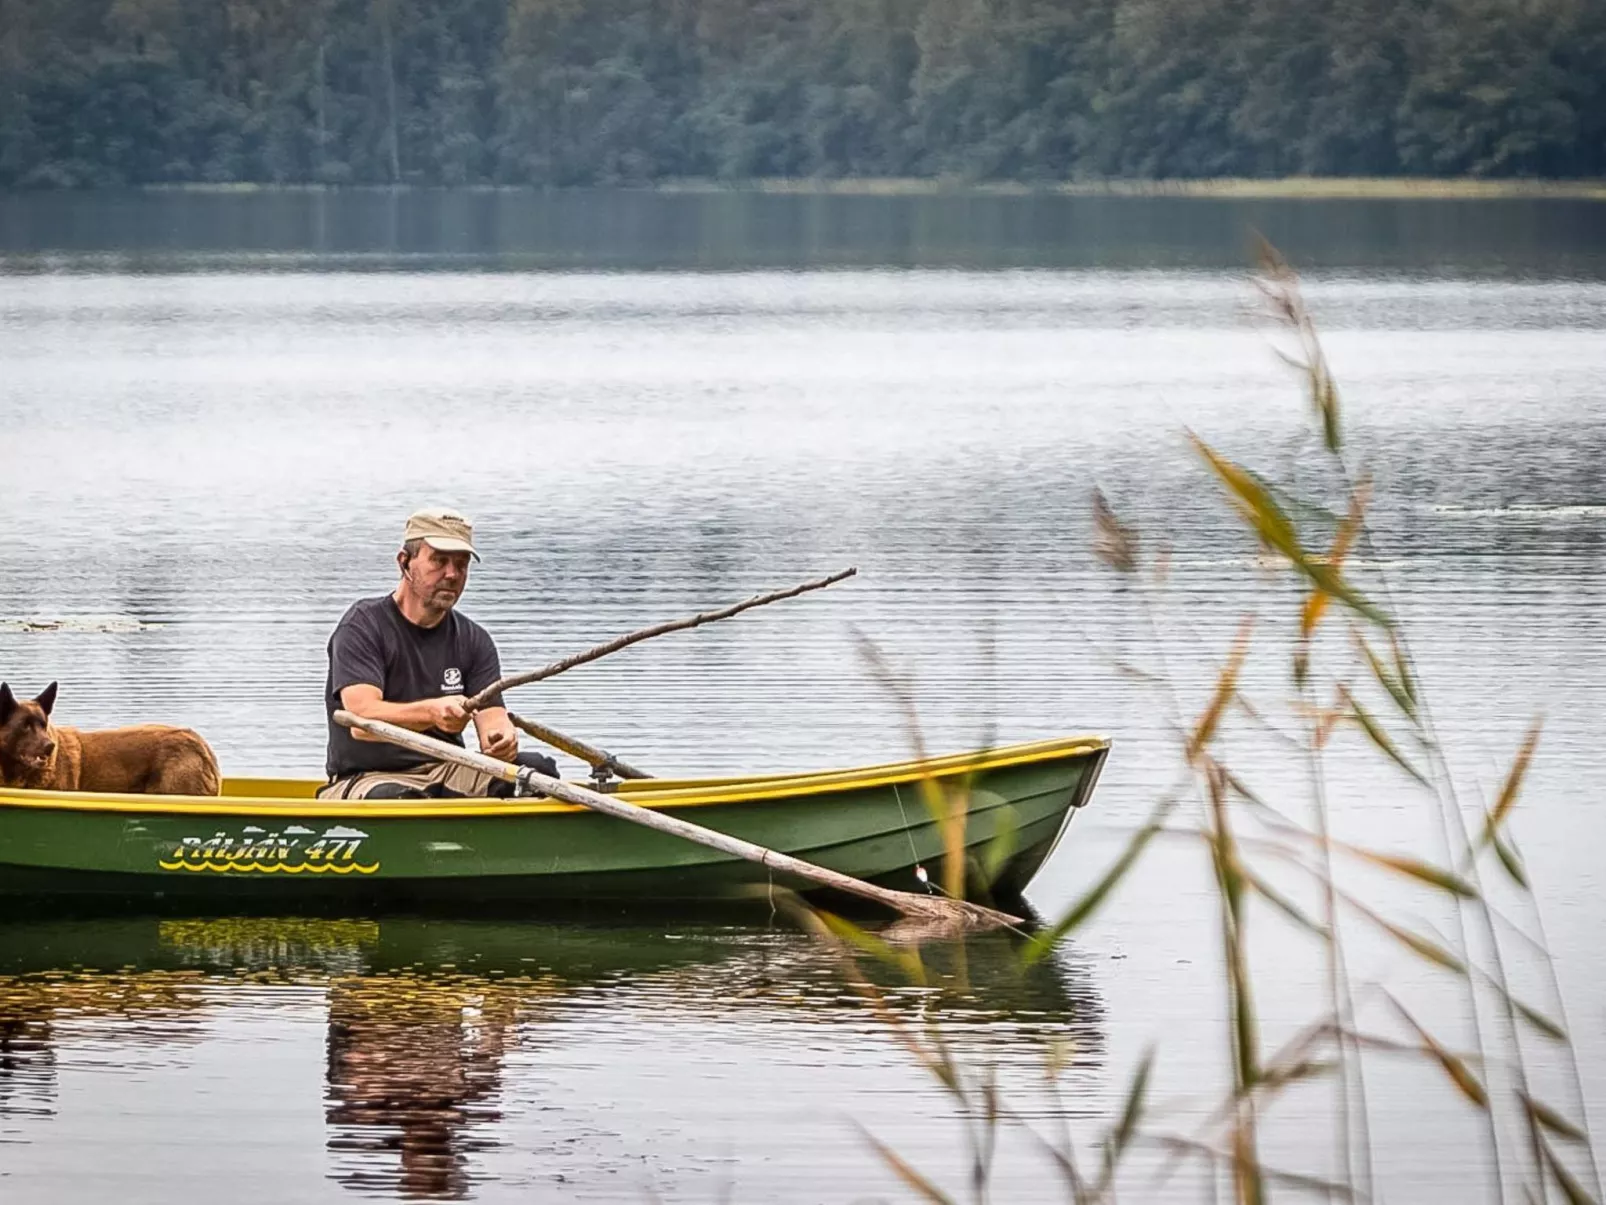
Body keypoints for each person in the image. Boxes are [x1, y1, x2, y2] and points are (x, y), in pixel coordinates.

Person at [319, 507, 558, 800]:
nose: (452, 574)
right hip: (367, 777)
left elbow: (493, 718)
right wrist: (432, 712)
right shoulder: (363, 625)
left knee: (537, 774)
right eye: (439, 561)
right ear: (404, 563)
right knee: (399, 801)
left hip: (448, 768)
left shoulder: (474, 639)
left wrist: (501, 739)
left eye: (462, 564)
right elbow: (360, 720)